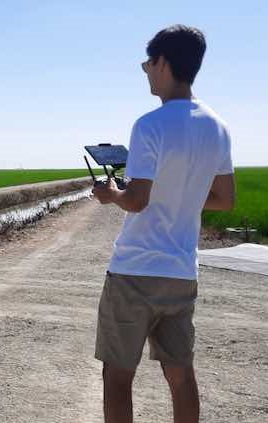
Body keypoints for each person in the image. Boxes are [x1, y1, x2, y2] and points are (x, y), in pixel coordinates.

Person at [92, 24, 236, 423]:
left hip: (134, 271)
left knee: (117, 377)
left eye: (147, 64)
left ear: (163, 63)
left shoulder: (149, 125)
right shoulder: (217, 126)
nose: (146, 73)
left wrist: (110, 195)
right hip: (180, 271)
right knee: (180, 374)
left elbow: (136, 200)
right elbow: (224, 199)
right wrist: (182, 194)